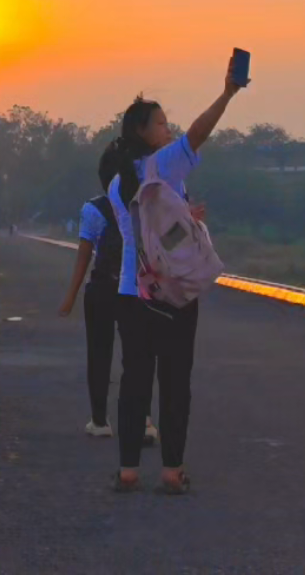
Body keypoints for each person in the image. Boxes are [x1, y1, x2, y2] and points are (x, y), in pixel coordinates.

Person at [108, 58, 245, 495]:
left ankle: (128, 470)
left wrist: (184, 216)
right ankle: (171, 470)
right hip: (172, 295)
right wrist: (227, 94)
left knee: (134, 381)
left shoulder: (117, 180)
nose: (169, 130)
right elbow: (198, 135)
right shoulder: (162, 165)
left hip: (131, 291)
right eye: (162, 124)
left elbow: (143, 229)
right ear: (143, 132)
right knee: (174, 381)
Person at [59, 147, 158, 444]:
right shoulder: (147, 205)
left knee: (99, 353)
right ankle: (143, 420)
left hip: (102, 288)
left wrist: (70, 297)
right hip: (137, 289)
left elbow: (84, 256)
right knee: (137, 356)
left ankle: (100, 420)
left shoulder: (93, 209)